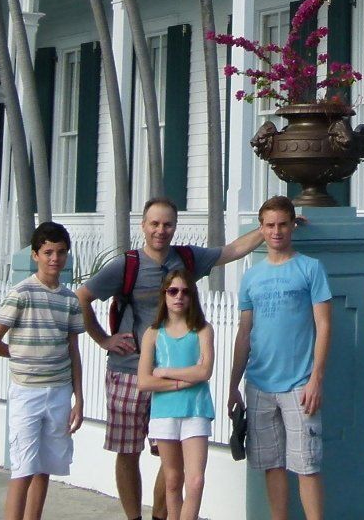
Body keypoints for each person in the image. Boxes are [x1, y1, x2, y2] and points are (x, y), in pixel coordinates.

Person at [77, 198, 266, 520]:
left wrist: (268, 229)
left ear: (174, 227)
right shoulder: (127, 265)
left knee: (171, 459)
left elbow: (229, 252)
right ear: (144, 226)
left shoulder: (187, 258)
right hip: (128, 371)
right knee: (128, 451)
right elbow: (82, 296)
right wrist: (103, 339)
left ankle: (161, 516)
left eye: (167, 224)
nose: (160, 231)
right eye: (154, 224)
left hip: (173, 375)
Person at [230, 196, 331, 520]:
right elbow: (245, 333)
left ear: (292, 225)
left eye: (282, 224)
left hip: (299, 385)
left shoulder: (310, 268)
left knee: (307, 465)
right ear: (261, 229)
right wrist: (234, 384)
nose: (276, 231)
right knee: (271, 465)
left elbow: (324, 324)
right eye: (270, 225)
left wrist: (316, 378)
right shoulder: (251, 277)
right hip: (259, 385)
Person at [0, 221, 85, 520]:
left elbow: (73, 349)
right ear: (35, 255)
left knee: (45, 467)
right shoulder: (21, 293)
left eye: (61, 252)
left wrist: (78, 397)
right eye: (48, 252)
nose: (55, 259)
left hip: (59, 392)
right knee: (23, 468)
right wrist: (22, 358)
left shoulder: (69, 299)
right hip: (27, 392)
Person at [137, 274, 215, 520]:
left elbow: (204, 371)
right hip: (165, 412)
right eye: (173, 291)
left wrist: (166, 373)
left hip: (196, 410)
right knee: (172, 479)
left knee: (195, 481)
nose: (179, 296)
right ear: (164, 295)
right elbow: (144, 381)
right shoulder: (153, 333)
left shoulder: (203, 330)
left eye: (185, 291)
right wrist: (184, 381)